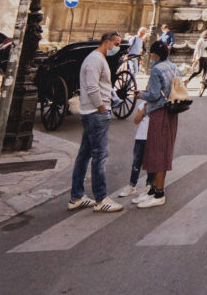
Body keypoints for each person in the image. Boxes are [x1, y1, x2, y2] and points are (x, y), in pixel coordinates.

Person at [68, 31, 124, 213]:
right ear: (106, 42)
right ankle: (101, 199)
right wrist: (102, 107)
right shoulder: (95, 60)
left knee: (84, 155)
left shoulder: (98, 59)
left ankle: (77, 197)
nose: (117, 47)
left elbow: (100, 85)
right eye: (116, 43)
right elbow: (92, 88)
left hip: (93, 112)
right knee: (100, 156)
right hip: (96, 114)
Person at [133, 41, 179, 207]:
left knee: (158, 152)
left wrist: (140, 95)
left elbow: (153, 95)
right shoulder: (174, 67)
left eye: (151, 54)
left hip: (159, 112)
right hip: (172, 113)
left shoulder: (156, 69)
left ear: (155, 54)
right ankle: (152, 190)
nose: (150, 56)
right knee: (161, 150)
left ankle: (159, 194)